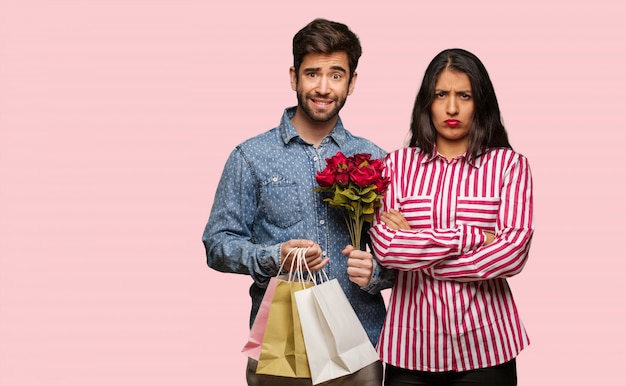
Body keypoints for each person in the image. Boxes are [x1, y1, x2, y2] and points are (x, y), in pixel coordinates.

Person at [202, 18, 394, 386]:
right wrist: (275, 257)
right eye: (312, 74)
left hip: (360, 343)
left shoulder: (376, 159)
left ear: (352, 82)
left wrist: (377, 274)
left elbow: (401, 253)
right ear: (294, 77)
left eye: (336, 75)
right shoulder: (250, 157)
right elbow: (217, 244)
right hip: (282, 348)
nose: (323, 87)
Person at [368, 48, 533, 386]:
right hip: (410, 349)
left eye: (464, 95)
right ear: (427, 101)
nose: (452, 108)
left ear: (480, 102)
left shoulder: (509, 167)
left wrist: (418, 254)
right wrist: (471, 238)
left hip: (487, 348)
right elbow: (386, 248)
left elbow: (512, 255)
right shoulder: (396, 166)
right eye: (441, 94)